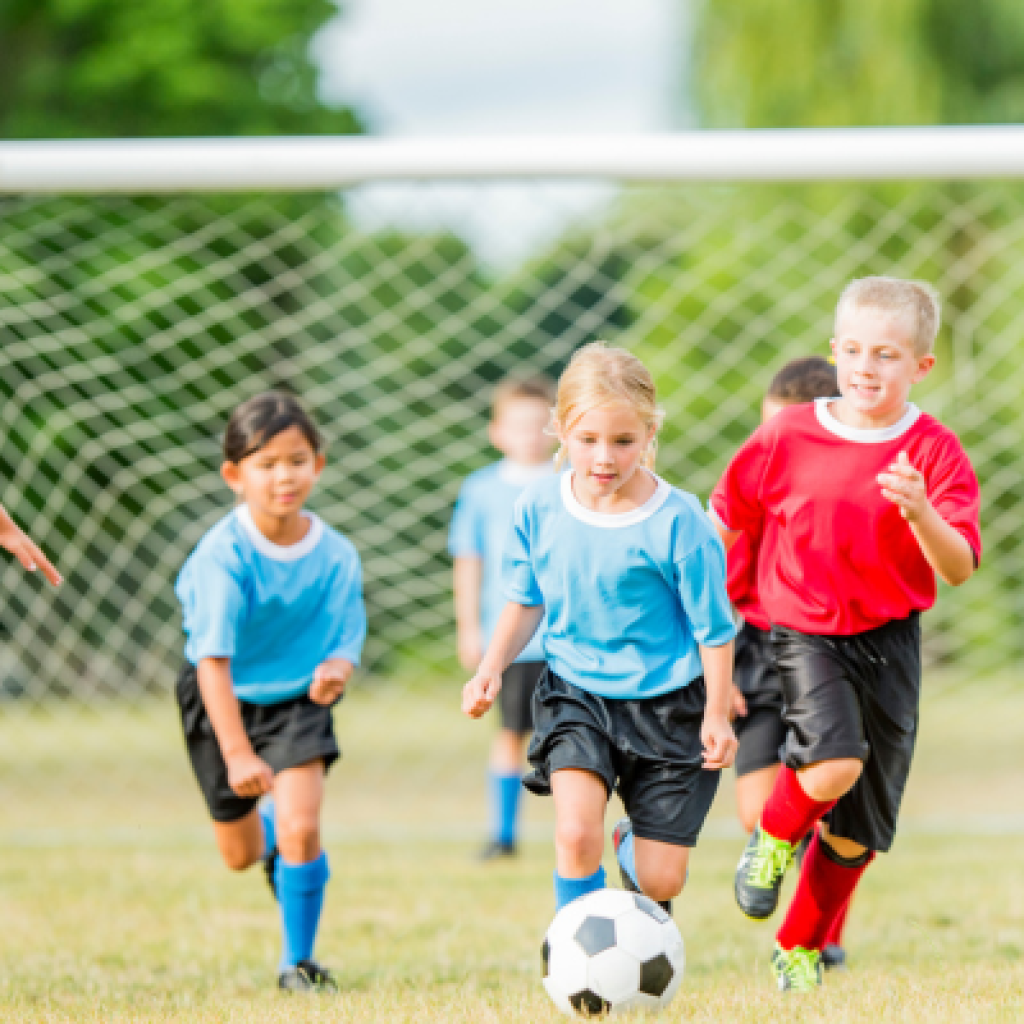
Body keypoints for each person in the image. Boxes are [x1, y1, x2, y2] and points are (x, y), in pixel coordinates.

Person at [712, 278, 981, 992]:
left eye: (886, 354)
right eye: (855, 349)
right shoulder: (786, 434)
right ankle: (769, 841)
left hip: (891, 640)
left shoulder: (934, 450)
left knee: (857, 831)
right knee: (832, 766)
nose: (866, 366)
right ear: (835, 351)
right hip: (804, 630)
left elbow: (957, 567)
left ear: (921, 366)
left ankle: (798, 948)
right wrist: (698, 617)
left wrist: (922, 513)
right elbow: (725, 517)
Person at [462, 342, 736, 918]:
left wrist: (715, 712)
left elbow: (713, 628)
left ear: (650, 432)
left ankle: (632, 846)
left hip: (668, 705)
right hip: (577, 694)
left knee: (663, 881)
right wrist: (490, 668)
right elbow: (524, 598)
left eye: (623, 441)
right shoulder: (538, 506)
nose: (603, 458)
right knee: (574, 833)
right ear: (559, 429)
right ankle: (574, 949)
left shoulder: (680, 522)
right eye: (587, 440)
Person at [175, 392, 366, 993]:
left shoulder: (337, 554)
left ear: (319, 464)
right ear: (235, 476)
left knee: (305, 825)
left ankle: (297, 963)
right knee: (239, 854)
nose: (285, 475)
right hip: (221, 698)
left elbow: (344, 640)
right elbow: (212, 664)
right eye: (266, 463)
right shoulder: (221, 557)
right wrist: (235, 753)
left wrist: (338, 670)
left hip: (297, 705)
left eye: (297, 459)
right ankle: (272, 830)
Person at [728, 357, 853, 969]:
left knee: (834, 804)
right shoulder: (746, 491)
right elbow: (714, 587)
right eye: (765, 433)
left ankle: (820, 937)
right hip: (755, 652)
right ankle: (775, 852)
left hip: (831, 648)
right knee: (759, 810)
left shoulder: (845, 493)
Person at [449, 375, 556, 860]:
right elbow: (468, 560)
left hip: (566, 640)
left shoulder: (568, 482)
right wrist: (470, 627)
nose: (530, 434)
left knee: (573, 741)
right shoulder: (481, 489)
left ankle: (575, 832)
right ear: (497, 432)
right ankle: (503, 834)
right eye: (519, 425)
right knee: (510, 734)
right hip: (511, 641)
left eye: (540, 424)